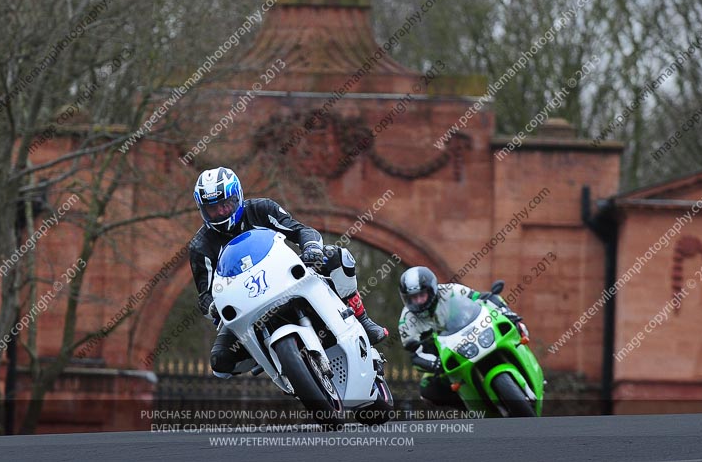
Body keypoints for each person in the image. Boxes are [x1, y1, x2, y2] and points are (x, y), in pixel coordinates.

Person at [189, 166, 388, 377]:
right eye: (213, 208)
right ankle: (266, 359)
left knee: (336, 256)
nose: (220, 212)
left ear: (237, 197)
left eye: (225, 204)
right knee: (220, 363)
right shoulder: (200, 247)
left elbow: (302, 231)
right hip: (246, 304)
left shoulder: (261, 209)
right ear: (202, 210)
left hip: (285, 278)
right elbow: (205, 295)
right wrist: (214, 308)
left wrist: (311, 247)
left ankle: (362, 319)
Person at [397, 266, 528, 408]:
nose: (418, 301)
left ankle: (525, 367)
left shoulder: (451, 291)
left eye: (422, 295)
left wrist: (506, 312)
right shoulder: (406, 320)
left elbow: (482, 299)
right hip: (445, 357)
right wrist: (434, 364)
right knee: (427, 388)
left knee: (512, 329)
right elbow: (414, 354)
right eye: (413, 298)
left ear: (432, 289)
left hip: (474, 334)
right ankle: (472, 409)